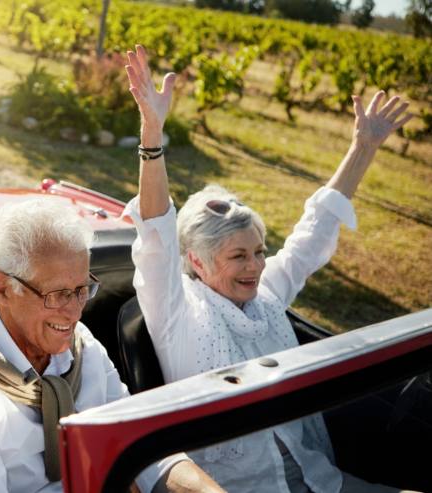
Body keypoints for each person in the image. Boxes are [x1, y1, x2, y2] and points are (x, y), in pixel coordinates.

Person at [123, 44, 418, 493]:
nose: (256, 267)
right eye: (238, 256)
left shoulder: (265, 295)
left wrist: (363, 146)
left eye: (259, 252)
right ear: (196, 261)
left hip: (320, 478)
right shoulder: (176, 312)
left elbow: (313, 231)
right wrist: (151, 132)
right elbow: (157, 233)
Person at [0, 198, 224, 492]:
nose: (75, 311)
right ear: (2, 287)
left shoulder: (82, 347)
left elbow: (143, 448)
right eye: (58, 294)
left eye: (81, 289)